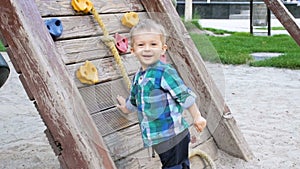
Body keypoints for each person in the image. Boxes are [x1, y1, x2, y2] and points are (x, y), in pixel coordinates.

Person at [116, 19, 206, 169]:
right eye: (141, 45)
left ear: (163, 49)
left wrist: (197, 116)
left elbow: (184, 95)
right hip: (158, 137)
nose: (147, 49)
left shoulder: (164, 72)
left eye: (153, 44)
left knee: (173, 166)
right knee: (179, 164)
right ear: (132, 50)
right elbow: (135, 99)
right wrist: (126, 107)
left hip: (173, 135)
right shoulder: (139, 76)